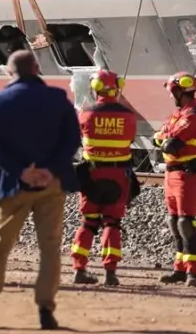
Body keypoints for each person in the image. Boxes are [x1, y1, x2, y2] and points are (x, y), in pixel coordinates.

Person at [0, 50, 80, 331]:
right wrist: (50, 170)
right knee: (50, 249)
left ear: (9, 72)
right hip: (51, 184)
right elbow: (72, 140)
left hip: (13, 185)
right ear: (37, 68)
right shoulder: (58, 99)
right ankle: (46, 310)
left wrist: (21, 171)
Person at [71, 68, 137, 287]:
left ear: (95, 89)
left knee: (88, 223)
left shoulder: (86, 114)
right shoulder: (128, 116)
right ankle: (110, 272)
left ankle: (79, 269)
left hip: (92, 176)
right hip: (119, 177)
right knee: (112, 223)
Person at [154, 71, 196, 287]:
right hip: (172, 173)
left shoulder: (192, 115)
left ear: (180, 91)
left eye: (172, 92)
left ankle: (194, 272)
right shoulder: (179, 114)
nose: (171, 96)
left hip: (187, 174)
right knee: (174, 221)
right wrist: (164, 138)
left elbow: (169, 144)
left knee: (186, 222)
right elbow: (159, 137)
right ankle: (180, 268)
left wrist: (163, 139)